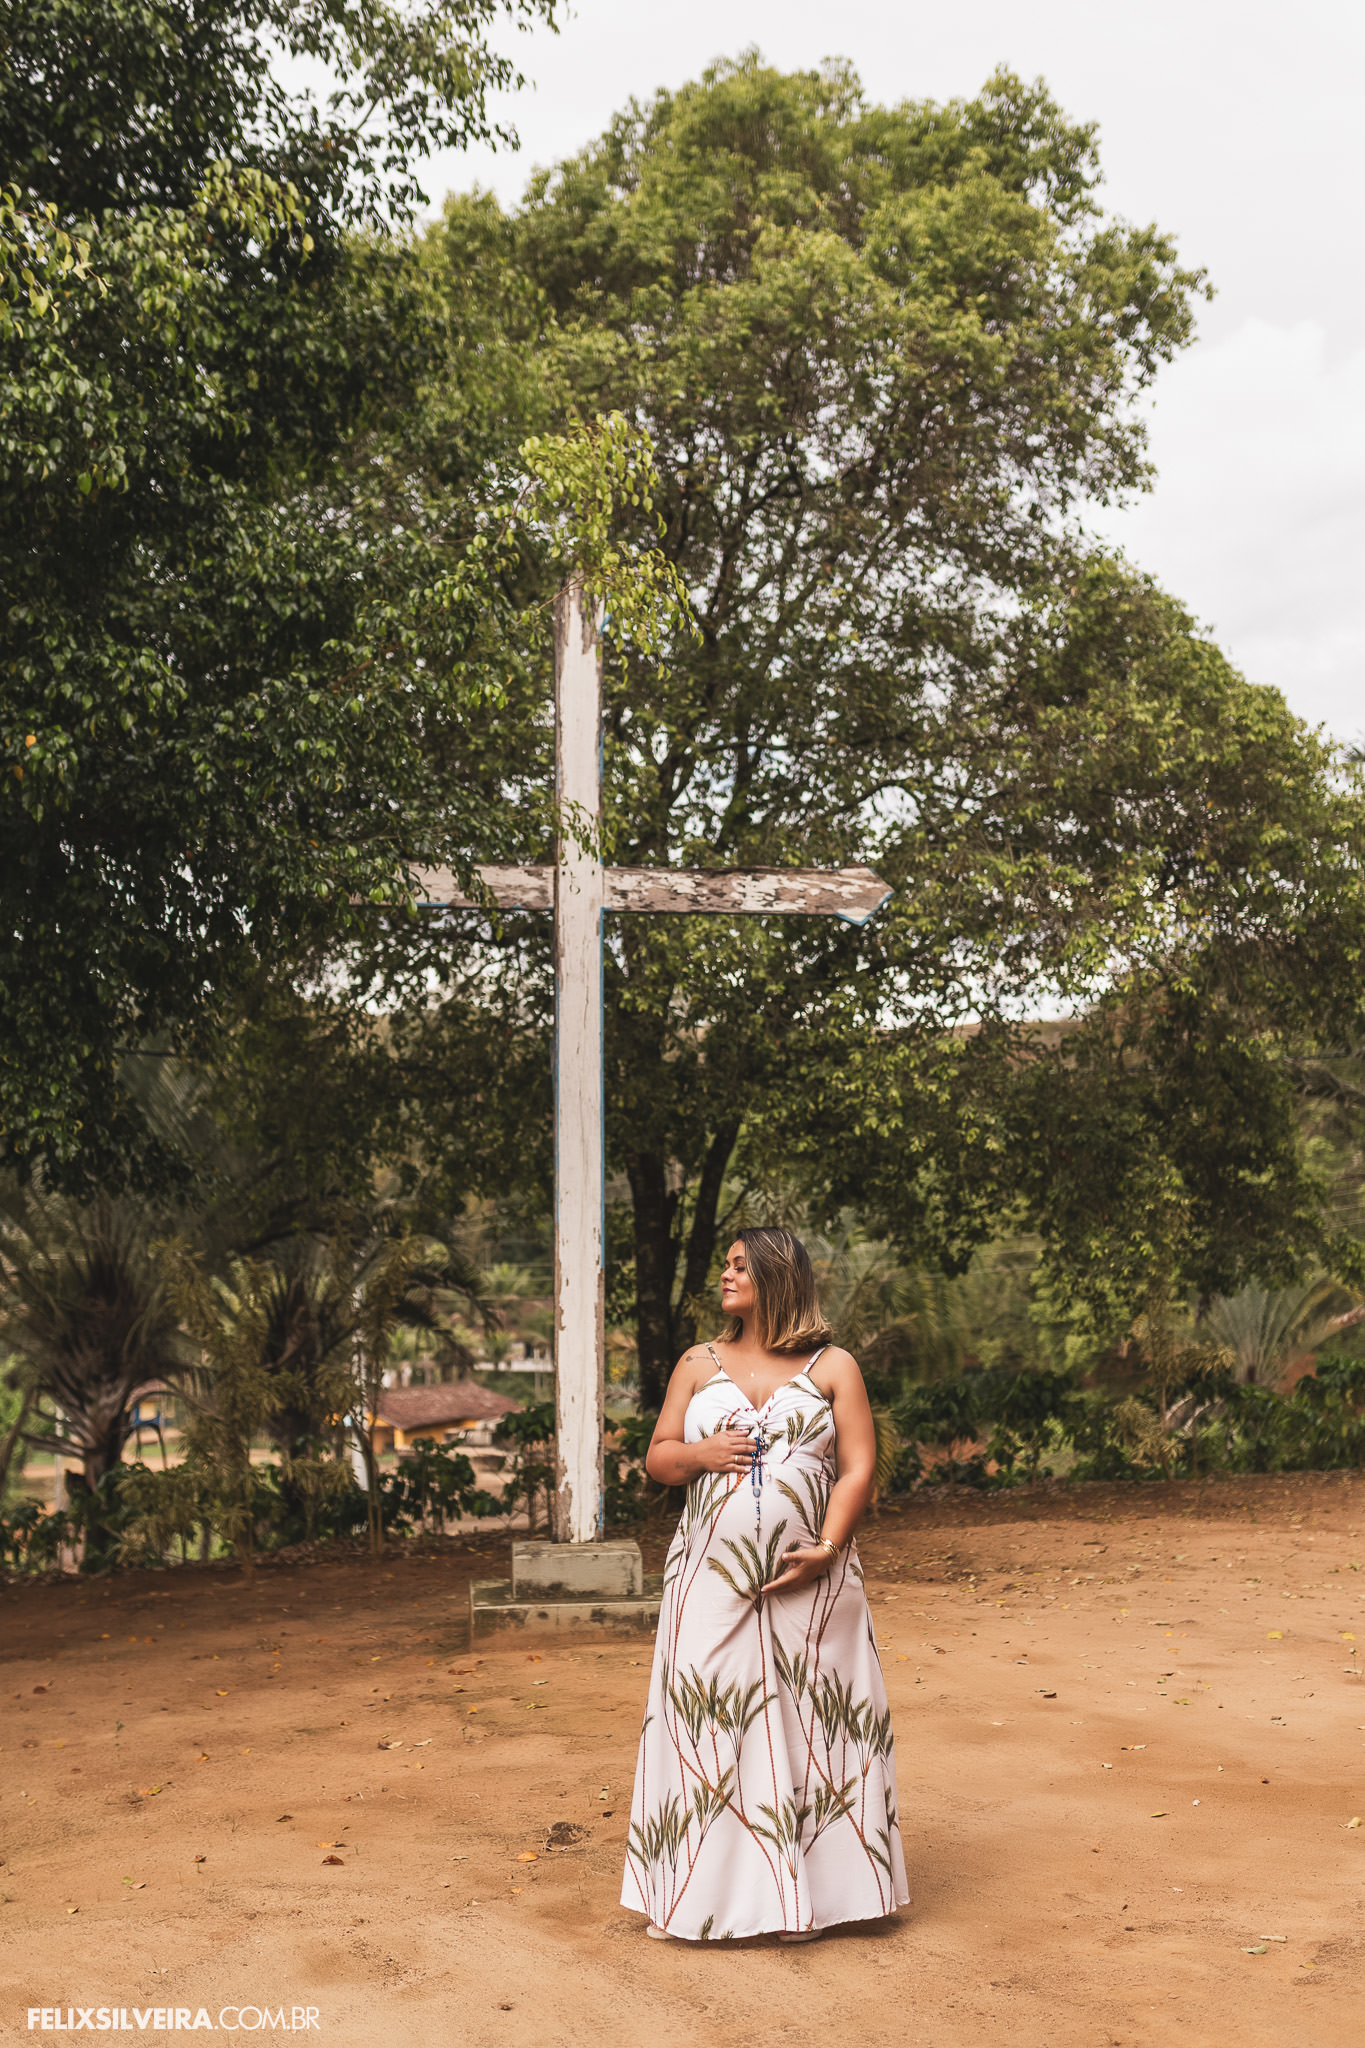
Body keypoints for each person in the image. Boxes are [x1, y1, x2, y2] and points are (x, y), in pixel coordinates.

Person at [621, 1226, 909, 1943]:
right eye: (725, 1265)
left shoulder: (833, 1366)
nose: (725, 1276)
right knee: (707, 1721)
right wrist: (700, 1452)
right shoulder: (697, 1362)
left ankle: (810, 1903)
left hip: (813, 1585)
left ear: (777, 1276)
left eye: (739, 1266)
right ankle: (700, 1899)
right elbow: (658, 1458)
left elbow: (858, 1467)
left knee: (812, 1723)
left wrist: (828, 1548)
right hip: (707, 1583)